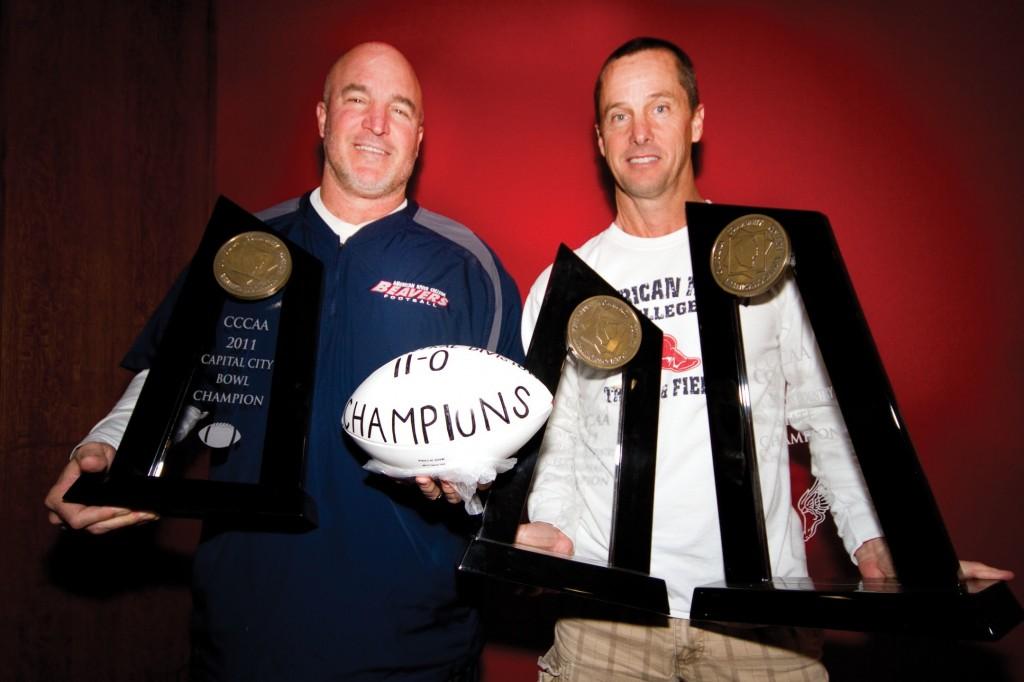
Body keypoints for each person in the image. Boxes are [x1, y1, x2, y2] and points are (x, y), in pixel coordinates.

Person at [515, 36, 1013, 680]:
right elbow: (561, 441)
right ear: (600, 137)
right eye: (619, 115)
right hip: (608, 624)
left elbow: (825, 415)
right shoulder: (567, 283)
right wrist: (551, 536)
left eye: (660, 108)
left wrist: (874, 543)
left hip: (759, 625)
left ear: (696, 121)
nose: (639, 132)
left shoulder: (764, 262)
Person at [44, 42, 523, 681]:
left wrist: (476, 484)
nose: (377, 124)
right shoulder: (244, 249)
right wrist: (105, 449)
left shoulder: (470, 267)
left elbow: (512, 443)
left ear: (419, 138)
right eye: (357, 100)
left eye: (399, 110)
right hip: (244, 642)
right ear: (323, 118)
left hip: (416, 651)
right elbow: (171, 381)